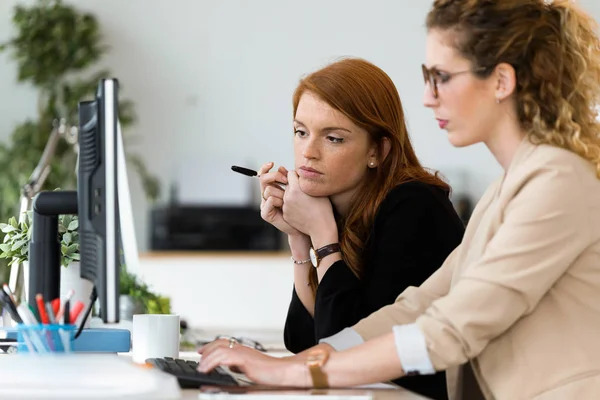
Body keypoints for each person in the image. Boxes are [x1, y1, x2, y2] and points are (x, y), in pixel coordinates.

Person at [197, 1, 600, 399]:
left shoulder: (557, 180)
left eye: (441, 76)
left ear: (501, 81)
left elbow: (450, 328)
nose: (427, 97)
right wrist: (291, 365)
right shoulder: (508, 187)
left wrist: (297, 373)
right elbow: (418, 306)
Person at [254, 58, 465, 399]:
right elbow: (304, 342)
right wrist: (298, 238)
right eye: (300, 131)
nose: (308, 152)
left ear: (378, 150)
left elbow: (344, 350)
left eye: (333, 138)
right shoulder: (338, 205)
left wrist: (323, 237)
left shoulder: (414, 206)